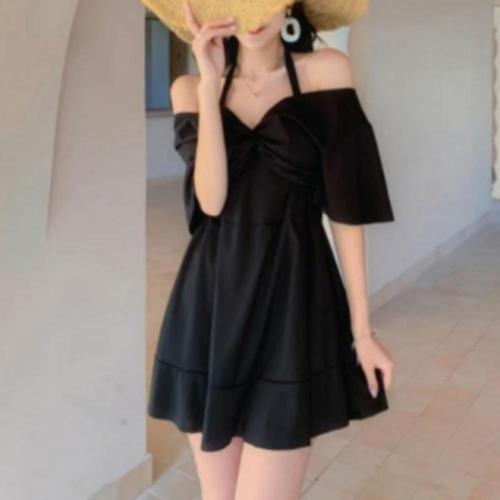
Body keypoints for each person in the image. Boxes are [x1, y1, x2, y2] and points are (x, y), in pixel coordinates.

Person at [146, 0, 395, 498]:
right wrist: (210, 87)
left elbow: (346, 213)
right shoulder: (190, 89)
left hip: (292, 302)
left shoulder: (326, 72)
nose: (253, 13)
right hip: (211, 305)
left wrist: (361, 331)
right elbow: (211, 202)